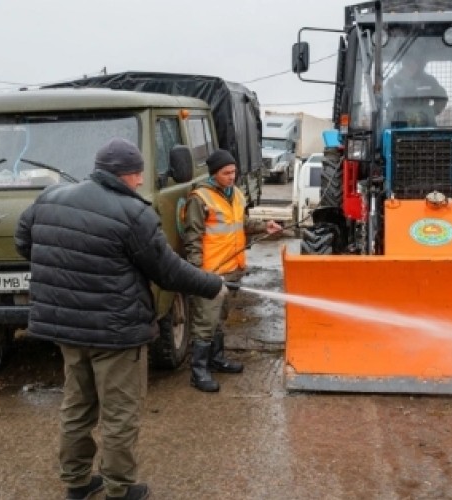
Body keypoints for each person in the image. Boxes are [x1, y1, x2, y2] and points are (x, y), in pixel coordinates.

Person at [15, 138, 227, 500]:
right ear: (129, 174)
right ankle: (119, 489)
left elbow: (23, 243)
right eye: (139, 174)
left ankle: (77, 483)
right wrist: (213, 285)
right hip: (116, 334)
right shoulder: (133, 213)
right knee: (119, 414)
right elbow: (168, 272)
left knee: (77, 405)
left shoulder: (50, 198)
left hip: (67, 328)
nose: (139, 181)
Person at [182, 149, 282, 393]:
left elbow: (242, 224)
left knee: (219, 318)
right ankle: (199, 372)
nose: (232, 177)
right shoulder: (199, 199)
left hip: (231, 268)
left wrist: (263, 226)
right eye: (226, 173)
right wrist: (198, 273)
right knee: (205, 321)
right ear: (214, 174)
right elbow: (192, 238)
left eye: (234, 172)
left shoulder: (236, 194)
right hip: (210, 271)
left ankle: (216, 360)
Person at [383, 51, 448, 126]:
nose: (411, 65)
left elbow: (442, 98)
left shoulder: (429, 80)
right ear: (404, 64)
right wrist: (391, 112)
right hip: (398, 122)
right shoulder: (393, 81)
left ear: (418, 64)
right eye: (408, 63)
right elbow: (382, 99)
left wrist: (430, 112)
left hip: (423, 124)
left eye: (414, 62)